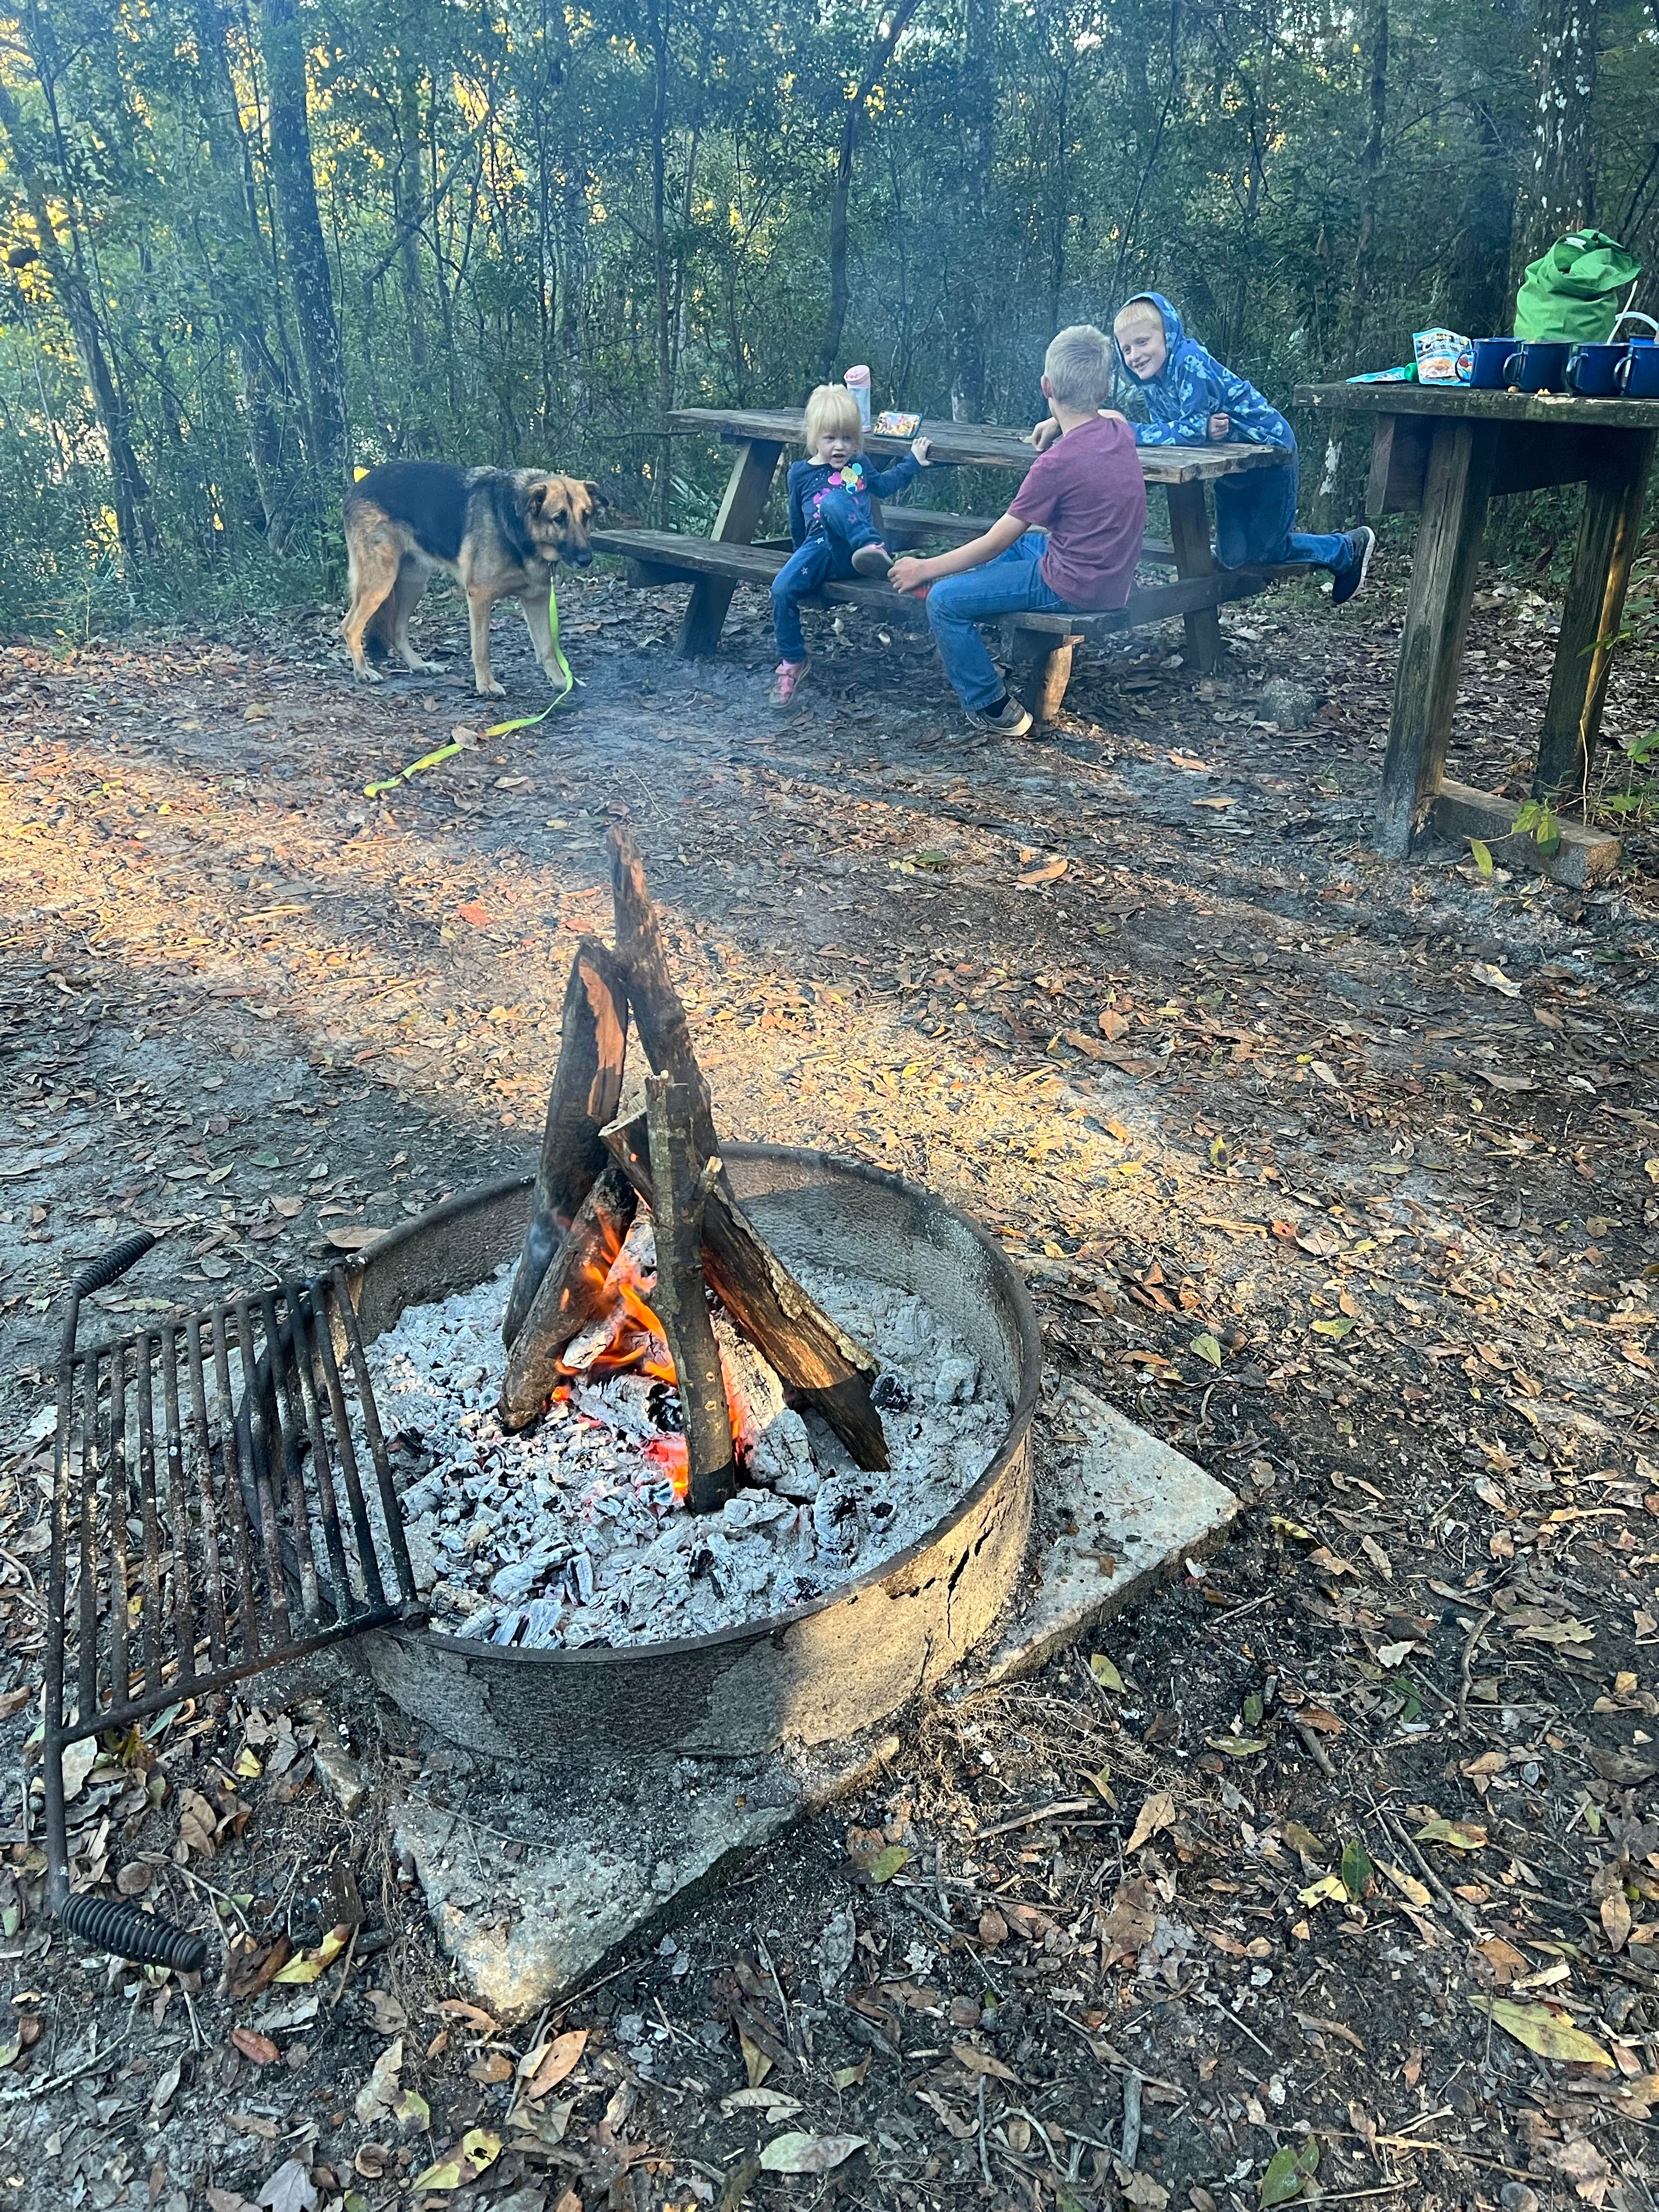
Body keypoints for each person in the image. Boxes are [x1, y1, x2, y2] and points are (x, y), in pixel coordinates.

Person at [887, 325, 1146, 737]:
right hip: (1112, 579)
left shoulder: (1055, 465)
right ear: (1105, 388)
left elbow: (995, 542)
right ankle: (977, 599)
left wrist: (926, 569)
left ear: (1046, 385)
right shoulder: (1118, 433)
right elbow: (1114, 414)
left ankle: (990, 703)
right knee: (1028, 544)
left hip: (1071, 586)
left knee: (943, 600)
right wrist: (1056, 422)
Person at [1034, 292, 1374, 602]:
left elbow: (1189, 431)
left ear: (1168, 334)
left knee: (1270, 549)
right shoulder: (1153, 379)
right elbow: (1182, 433)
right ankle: (1197, 596)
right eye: (1127, 350)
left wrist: (1131, 430)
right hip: (1230, 467)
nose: (1135, 356)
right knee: (1232, 557)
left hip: (1270, 455)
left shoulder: (1188, 362)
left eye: (1142, 342)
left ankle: (1345, 549)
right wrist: (1064, 422)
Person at [771, 384, 933, 704]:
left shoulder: (858, 464)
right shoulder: (800, 473)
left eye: (847, 438)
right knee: (780, 589)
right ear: (814, 436)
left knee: (833, 502)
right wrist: (798, 562)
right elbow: (796, 520)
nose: (839, 447)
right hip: (818, 551)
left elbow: (885, 486)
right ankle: (793, 660)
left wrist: (912, 461)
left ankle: (876, 554)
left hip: (854, 550)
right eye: (830, 438)